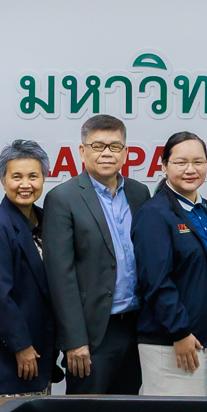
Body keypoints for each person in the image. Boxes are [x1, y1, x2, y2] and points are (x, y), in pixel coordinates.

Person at [45, 114, 150, 395]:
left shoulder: (139, 193)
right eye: (98, 146)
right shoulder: (63, 198)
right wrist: (74, 340)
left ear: (125, 153)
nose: (107, 153)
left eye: (115, 146)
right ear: (82, 151)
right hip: (92, 334)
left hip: (136, 327)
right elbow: (61, 276)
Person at [134, 132, 207, 396]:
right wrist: (180, 331)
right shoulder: (154, 213)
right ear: (164, 166)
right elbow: (155, 281)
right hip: (173, 339)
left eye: (198, 162)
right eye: (180, 162)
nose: (190, 169)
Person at [0, 141, 58, 395]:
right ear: (3, 180)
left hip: (43, 350)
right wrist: (20, 345)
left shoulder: (49, 220)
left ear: (44, 178)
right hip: (10, 356)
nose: (25, 184)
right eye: (16, 177)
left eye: (33, 176)